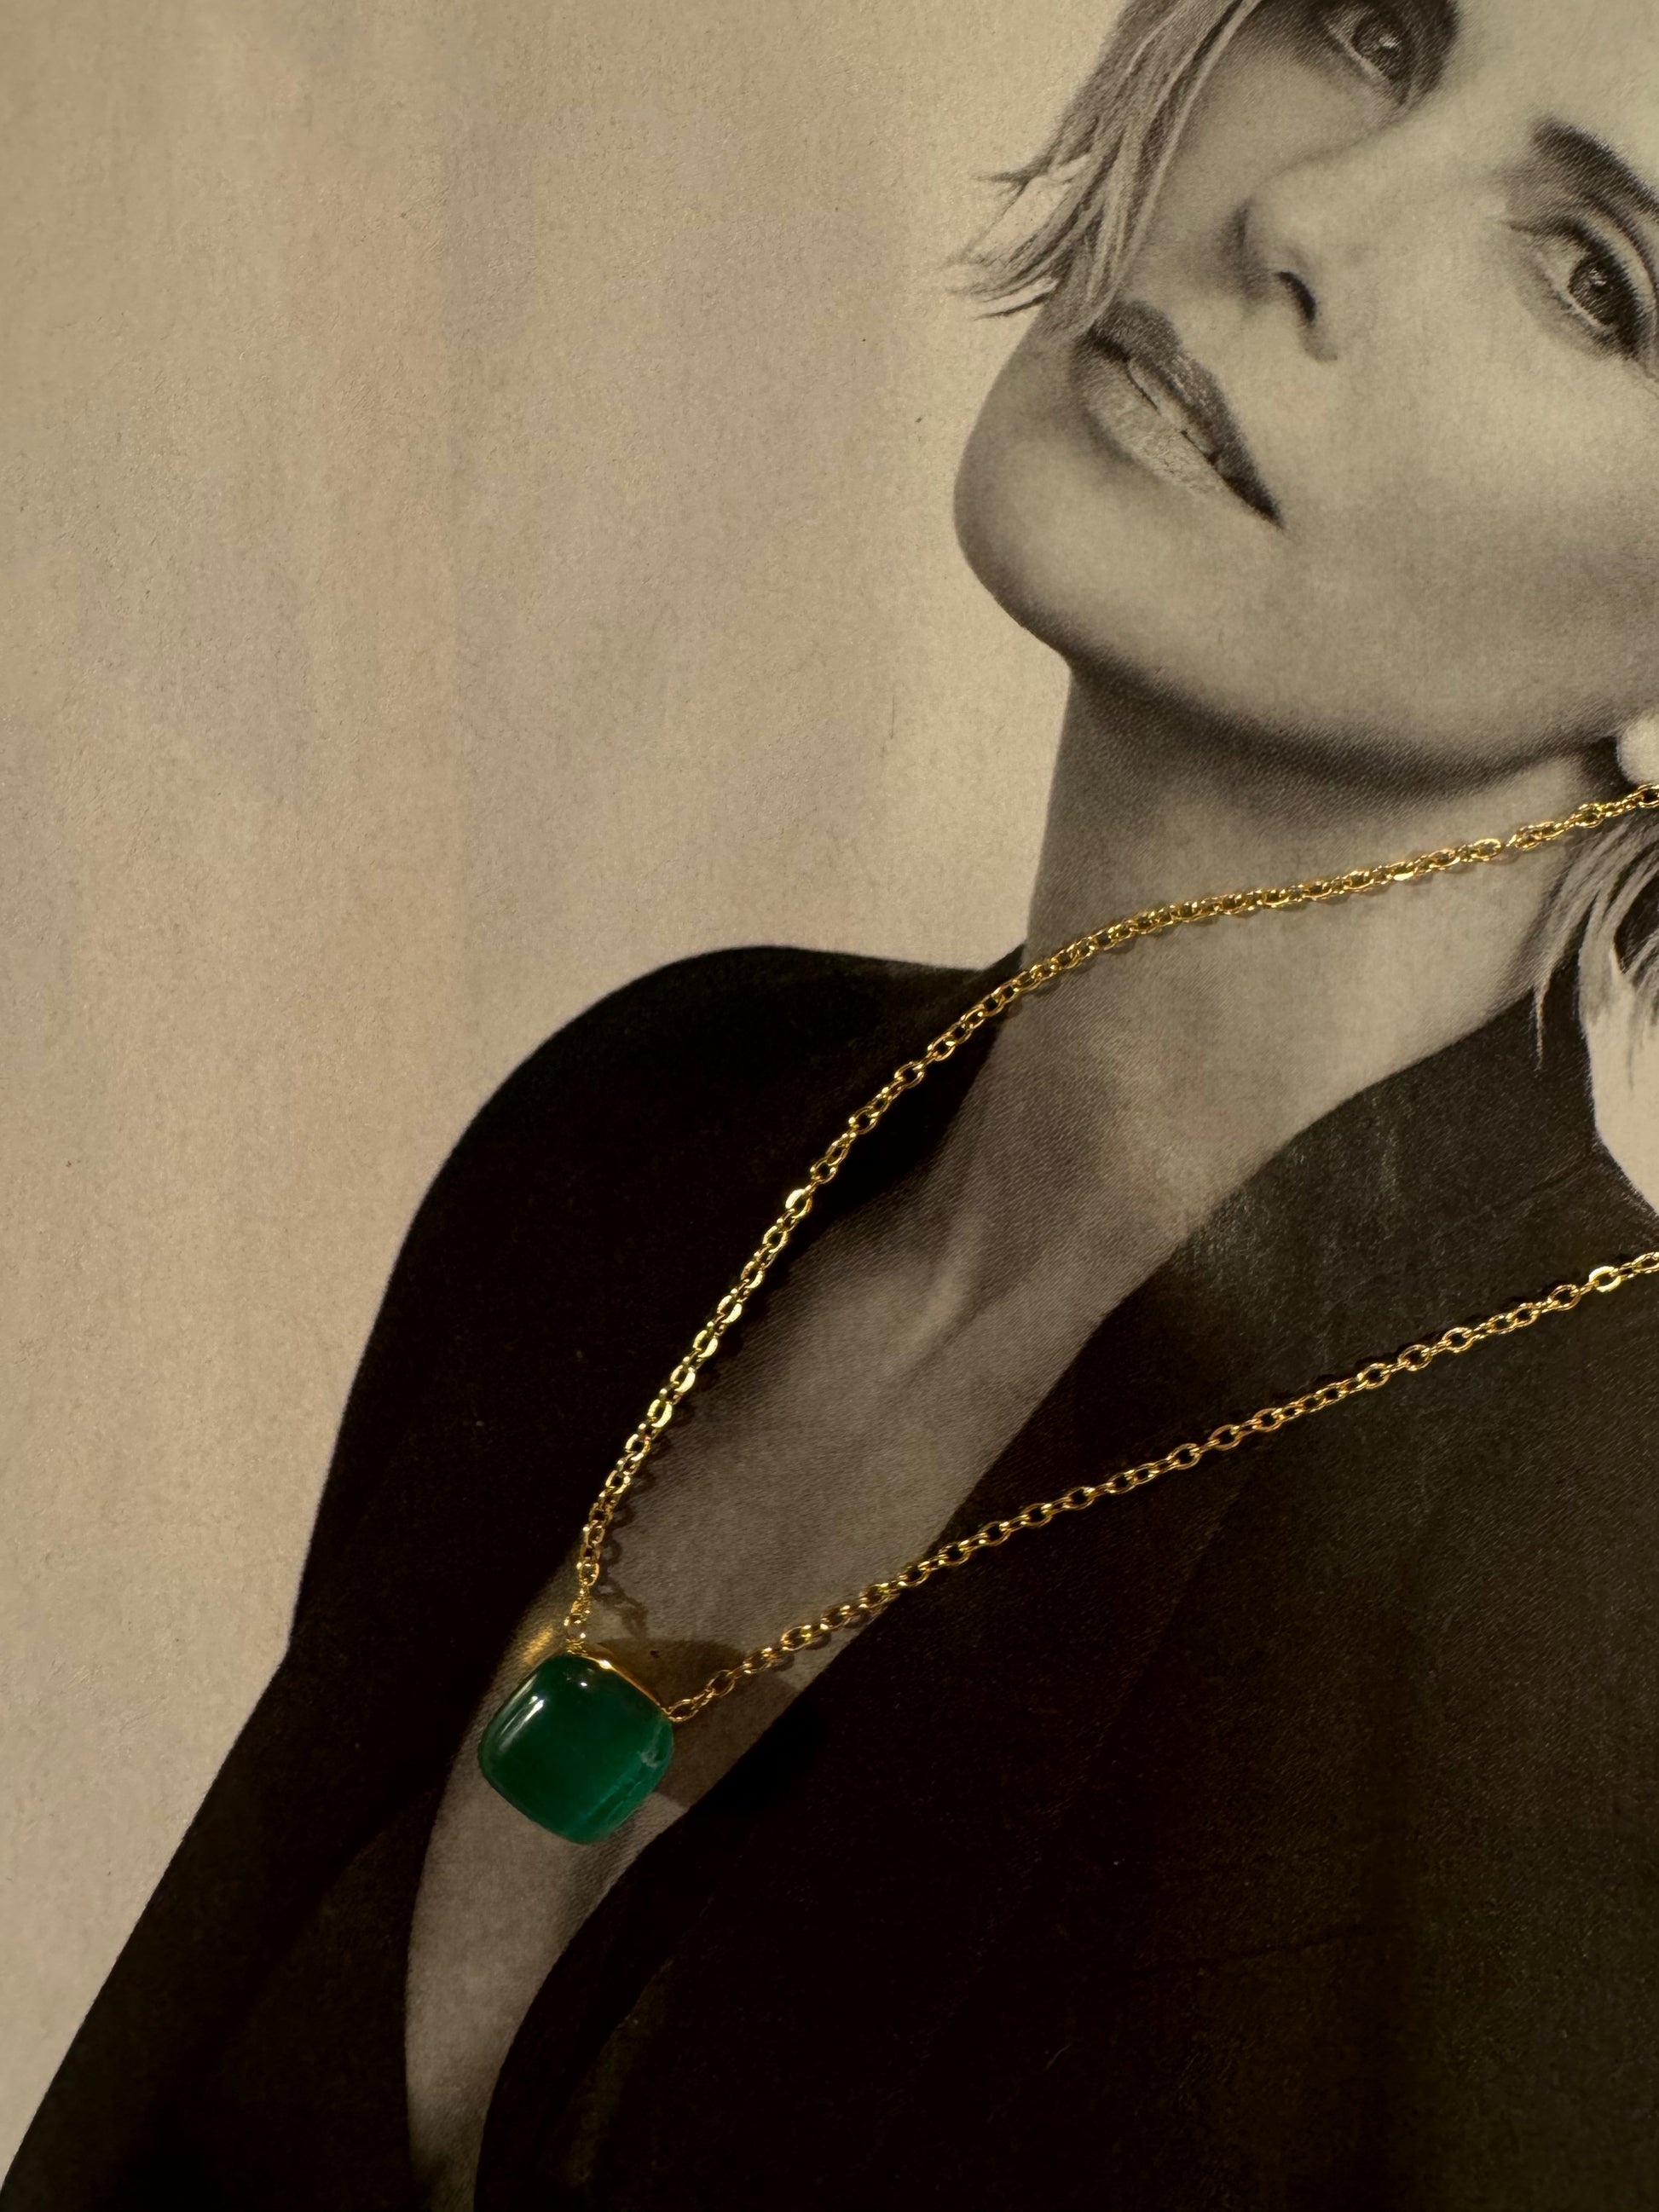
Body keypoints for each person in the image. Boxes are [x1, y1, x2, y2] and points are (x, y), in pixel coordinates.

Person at [9, 0, 1659, 2204]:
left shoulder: (1613, 1547)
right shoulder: (640, 1127)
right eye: (1366, 29)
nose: (1306, 212)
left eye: (1592, 279)